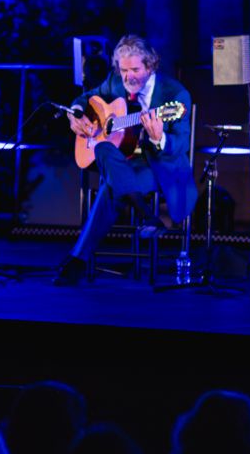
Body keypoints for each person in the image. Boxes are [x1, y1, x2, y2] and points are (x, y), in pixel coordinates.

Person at [54, 34, 196, 287]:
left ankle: (77, 259)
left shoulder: (176, 94)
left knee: (111, 183)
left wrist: (160, 137)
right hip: (125, 162)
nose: (129, 76)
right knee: (104, 151)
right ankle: (145, 214)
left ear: (150, 66)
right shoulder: (116, 83)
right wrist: (75, 115)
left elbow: (181, 145)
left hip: (157, 165)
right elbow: (85, 98)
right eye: (123, 70)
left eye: (135, 70)